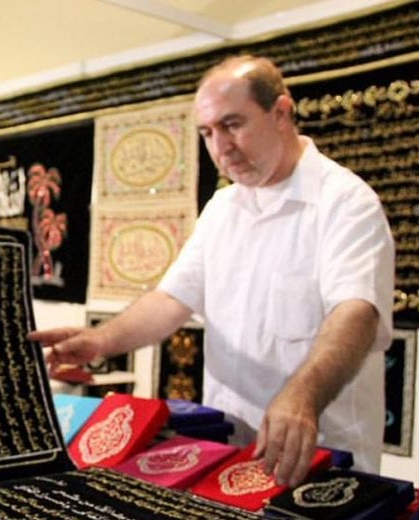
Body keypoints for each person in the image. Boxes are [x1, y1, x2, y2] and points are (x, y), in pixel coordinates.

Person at [29, 55, 394, 487]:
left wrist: (304, 395)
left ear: (281, 112)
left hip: (320, 455)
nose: (221, 147)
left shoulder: (345, 203)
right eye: (207, 133)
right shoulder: (223, 207)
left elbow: (356, 312)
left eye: (232, 124)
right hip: (231, 454)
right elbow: (171, 300)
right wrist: (99, 340)